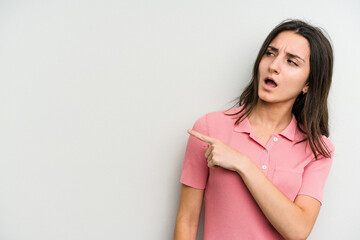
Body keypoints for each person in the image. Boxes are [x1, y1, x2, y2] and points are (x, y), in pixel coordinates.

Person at [174, 19, 334, 240]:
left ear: (309, 83)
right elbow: (187, 221)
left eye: (291, 62)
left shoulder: (318, 149)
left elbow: (298, 231)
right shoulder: (209, 128)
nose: (273, 66)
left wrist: (243, 164)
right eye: (270, 53)